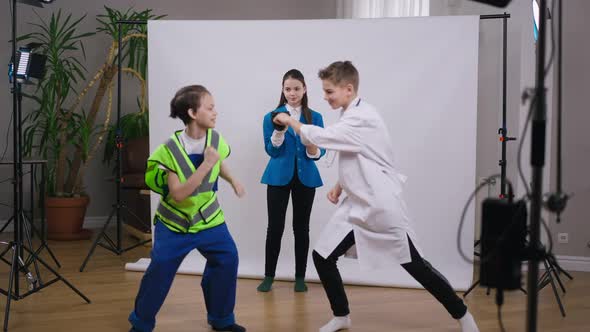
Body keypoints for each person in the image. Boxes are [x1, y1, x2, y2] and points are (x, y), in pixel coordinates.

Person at [273, 61, 480, 332]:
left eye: (329, 92)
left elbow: (325, 138)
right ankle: (341, 315)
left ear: (348, 89)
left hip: (380, 203)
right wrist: (340, 184)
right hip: (356, 203)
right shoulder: (351, 112)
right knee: (322, 256)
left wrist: (290, 120)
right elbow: (363, 154)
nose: (324, 97)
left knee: (414, 264)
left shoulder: (363, 117)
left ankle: (464, 316)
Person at [129, 85, 247, 332]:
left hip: (210, 220)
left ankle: (222, 319)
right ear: (193, 113)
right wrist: (206, 164)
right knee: (160, 270)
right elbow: (180, 194)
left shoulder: (215, 138)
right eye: (210, 107)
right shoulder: (170, 150)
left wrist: (233, 180)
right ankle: (141, 324)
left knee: (227, 259)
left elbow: (219, 163)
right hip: (175, 225)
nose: (216, 112)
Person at [258, 69, 326, 292]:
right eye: (288, 89)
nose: (292, 93)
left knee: (302, 228)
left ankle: (300, 277)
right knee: (274, 228)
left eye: (297, 88)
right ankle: (269, 276)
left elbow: (320, 152)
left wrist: (311, 145)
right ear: (283, 90)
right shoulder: (272, 116)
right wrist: (278, 133)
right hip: (278, 177)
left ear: (304, 89)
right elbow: (271, 151)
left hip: (306, 178)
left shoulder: (315, 117)